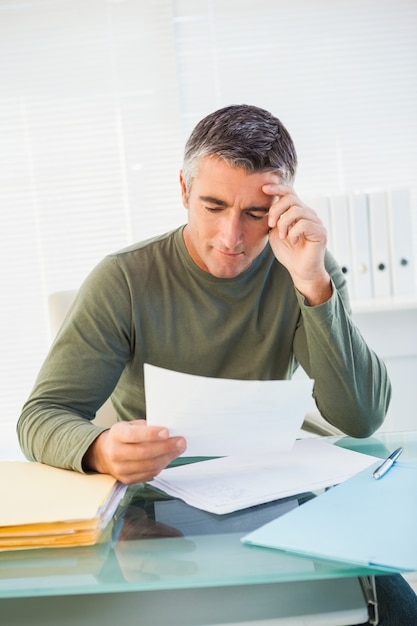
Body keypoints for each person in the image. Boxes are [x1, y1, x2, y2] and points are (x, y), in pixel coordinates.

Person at [17, 104, 416, 624]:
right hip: (153, 498)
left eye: (255, 214)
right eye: (213, 206)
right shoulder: (123, 280)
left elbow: (361, 418)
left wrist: (314, 286)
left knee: (394, 609)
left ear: (281, 210)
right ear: (183, 192)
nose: (232, 237)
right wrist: (97, 446)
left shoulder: (303, 268)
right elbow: (41, 415)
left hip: (271, 487)